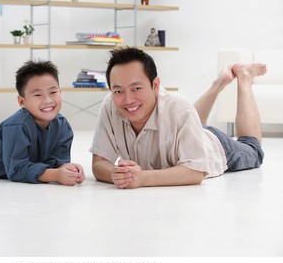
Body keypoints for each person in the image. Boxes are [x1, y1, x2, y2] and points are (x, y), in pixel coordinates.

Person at [90, 47, 266, 189]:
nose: (128, 100)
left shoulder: (179, 108)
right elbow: (99, 163)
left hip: (213, 145)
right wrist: (115, 173)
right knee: (182, 115)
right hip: (186, 132)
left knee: (253, 148)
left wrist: (142, 178)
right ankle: (219, 83)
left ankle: (244, 76)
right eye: (118, 91)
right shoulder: (110, 105)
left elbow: (195, 172)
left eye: (136, 88)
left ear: (155, 85)